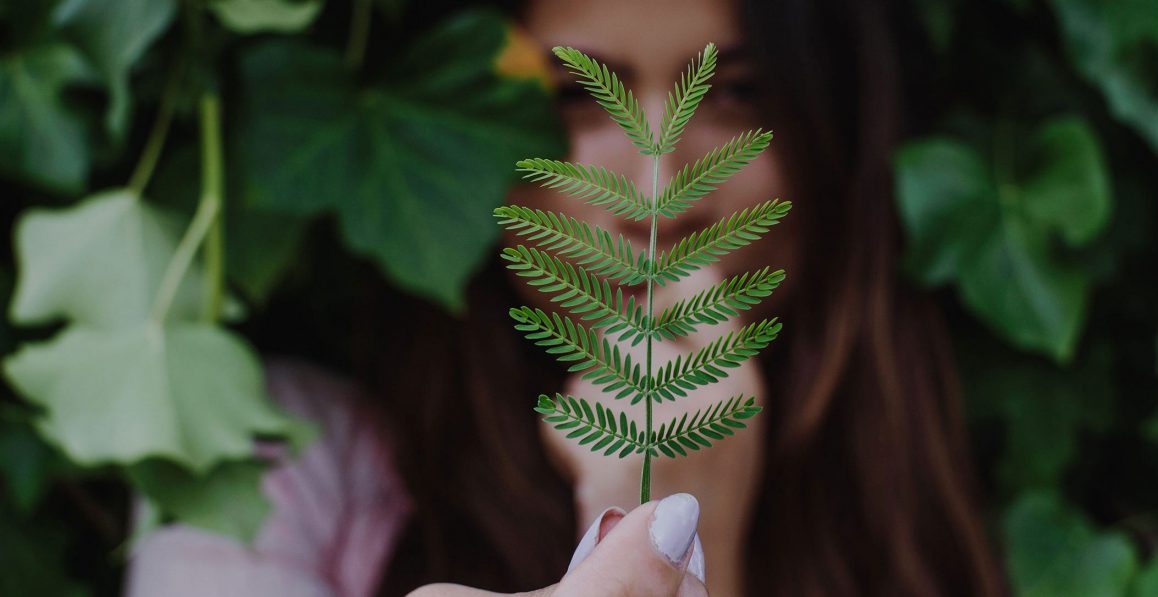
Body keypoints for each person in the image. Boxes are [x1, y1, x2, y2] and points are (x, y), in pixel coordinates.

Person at [125, 0, 1004, 595]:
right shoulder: (270, 462)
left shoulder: (920, 502)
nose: (660, 190)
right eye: (579, 95)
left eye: (737, 92)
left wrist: (703, 538)